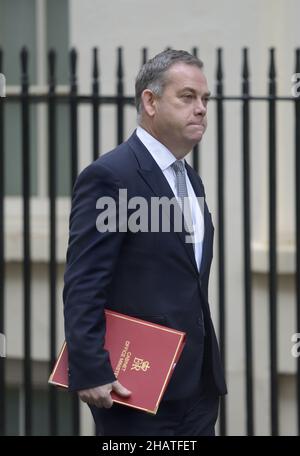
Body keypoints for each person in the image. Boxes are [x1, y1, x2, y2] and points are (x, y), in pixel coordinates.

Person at [63, 49, 227, 436]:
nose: (201, 109)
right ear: (150, 102)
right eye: (187, 97)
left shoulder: (190, 179)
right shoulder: (110, 175)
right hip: (135, 390)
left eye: (205, 99)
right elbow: (84, 281)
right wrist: (91, 370)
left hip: (198, 389)